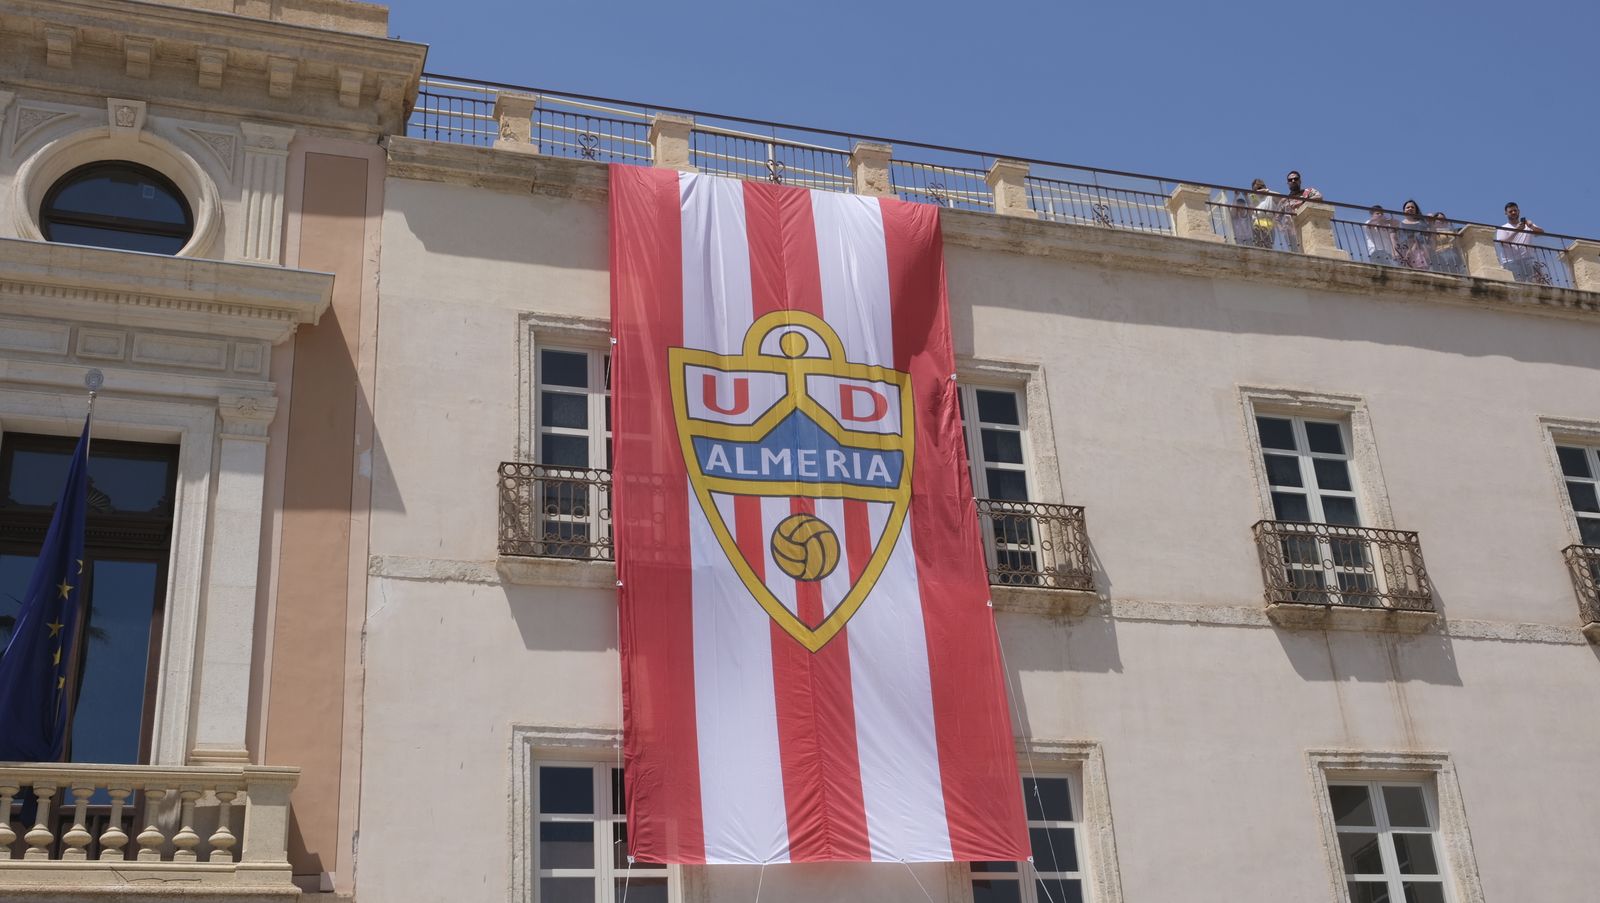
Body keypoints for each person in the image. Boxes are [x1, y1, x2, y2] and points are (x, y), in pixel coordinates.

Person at [1496, 202, 1549, 284]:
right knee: (1518, 285)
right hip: (1511, 262)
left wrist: (1531, 226)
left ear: (1518, 211)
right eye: (1510, 211)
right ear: (1505, 213)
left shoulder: (1527, 225)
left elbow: (1541, 232)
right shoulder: (1503, 228)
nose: (1513, 213)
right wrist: (1516, 230)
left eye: (1515, 210)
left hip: (1528, 260)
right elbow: (1501, 241)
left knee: (1538, 284)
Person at [1276, 171, 1322, 251]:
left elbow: (1319, 197)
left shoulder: (1308, 191)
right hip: (1291, 233)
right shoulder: (1284, 200)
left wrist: (1302, 201)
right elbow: (1276, 218)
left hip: (1306, 227)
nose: (1293, 181)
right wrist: (1281, 228)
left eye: (1295, 179)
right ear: (1288, 183)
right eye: (1290, 180)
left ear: (1300, 181)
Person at [1396, 199, 1431, 269]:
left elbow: (1418, 238)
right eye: (1408, 207)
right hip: (1403, 251)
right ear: (1404, 210)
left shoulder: (1421, 224)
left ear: (1416, 210)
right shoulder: (1399, 224)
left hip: (1417, 252)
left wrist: (1410, 252)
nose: (1410, 209)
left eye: (1412, 207)